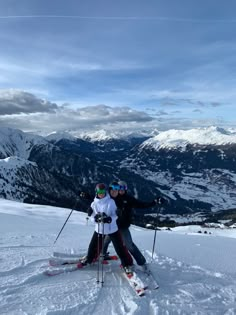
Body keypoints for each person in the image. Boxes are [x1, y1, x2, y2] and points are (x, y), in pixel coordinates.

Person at [103, 180, 165, 270]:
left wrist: (154, 202)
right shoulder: (111, 198)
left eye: (123, 188)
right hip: (112, 226)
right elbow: (99, 200)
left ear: (126, 189)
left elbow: (142, 204)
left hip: (123, 227)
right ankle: (102, 255)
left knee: (129, 245)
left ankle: (141, 262)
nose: (121, 190)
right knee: (105, 241)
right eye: (119, 188)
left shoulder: (129, 199)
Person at [81, 183, 133, 274]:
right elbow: (92, 217)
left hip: (112, 229)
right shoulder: (94, 203)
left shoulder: (110, 202)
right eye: (99, 192)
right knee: (92, 246)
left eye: (103, 191)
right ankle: (89, 260)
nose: (101, 193)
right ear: (96, 192)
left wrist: (109, 219)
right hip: (99, 229)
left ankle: (126, 265)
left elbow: (115, 215)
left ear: (105, 192)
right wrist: (94, 218)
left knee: (119, 248)